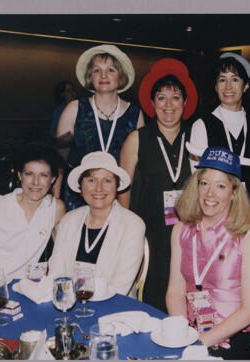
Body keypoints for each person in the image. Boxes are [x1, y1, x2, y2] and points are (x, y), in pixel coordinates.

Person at [166, 147, 250, 360]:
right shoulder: (180, 229)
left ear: (234, 193)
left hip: (235, 335)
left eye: (220, 186)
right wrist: (182, 333)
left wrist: (201, 342)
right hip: (191, 328)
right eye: (205, 184)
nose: (210, 194)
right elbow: (175, 290)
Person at [119, 58, 198, 312]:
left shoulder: (197, 137)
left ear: (185, 103)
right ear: (152, 103)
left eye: (175, 97)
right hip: (149, 236)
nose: (168, 104)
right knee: (151, 301)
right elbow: (123, 191)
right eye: (161, 97)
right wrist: (128, 236)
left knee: (188, 299)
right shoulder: (137, 139)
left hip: (190, 236)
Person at [56, 44, 145, 211]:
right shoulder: (74, 109)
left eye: (111, 70)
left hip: (119, 196)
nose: (103, 75)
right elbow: (60, 159)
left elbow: (137, 164)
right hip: (79, 196)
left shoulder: (135, 114)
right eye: (97, 70)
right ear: (91, 76)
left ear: (120, 76)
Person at [48, 151, 145, 298]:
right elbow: (56, 274)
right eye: (91, 180)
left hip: (114, 309)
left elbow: (119, 287)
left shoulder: (132, 225)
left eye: (107, 181)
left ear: (116, 187)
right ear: (81, 187)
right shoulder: (69, 220)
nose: (99, 188)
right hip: (70, 304)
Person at [187, 52, 250, 221]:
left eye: (235, 79)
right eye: (222, 79)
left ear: (245, 86)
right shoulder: (201, 126)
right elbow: (199, 181)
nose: (228, 86)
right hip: (213, 218)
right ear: (216, 86)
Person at [0, 144, 66, 279]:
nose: (35, 182)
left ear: (52, 179)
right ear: (19, 175)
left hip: (22, 287)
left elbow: (64, 254)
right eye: (29, 174)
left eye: (43, 175)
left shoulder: (55, 208)